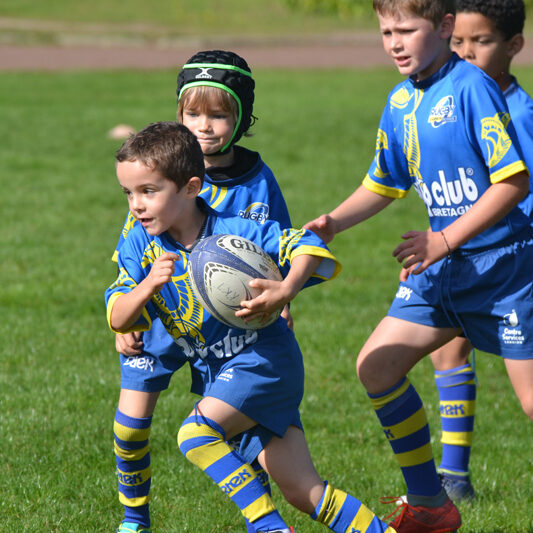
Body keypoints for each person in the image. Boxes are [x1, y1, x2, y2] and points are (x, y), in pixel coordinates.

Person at [304, 0, 533, 531]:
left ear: (445, 27)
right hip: (444, 273)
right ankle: (430, 504)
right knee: (376, 367)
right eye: (386, 31)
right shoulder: (400, 101)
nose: (395, 42)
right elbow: (383, 183)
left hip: (504, 273)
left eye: (407, 29)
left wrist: (444, 239)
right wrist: (333, 222)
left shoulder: (472, 87)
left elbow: (513, 182)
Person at [106, 120, 396, 533]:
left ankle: (267, 527)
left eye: (148, 191)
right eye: (129, 193)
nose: (136, 204)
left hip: (265, 361)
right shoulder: (140, 242)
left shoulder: (235, 231)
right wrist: (147, 285)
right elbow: (118, 316)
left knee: (195, 436)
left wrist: (286, 288)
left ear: (191, 187)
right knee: (307, 492)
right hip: (221, 373)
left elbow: (306, 245)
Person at [111, 51, 293, 533]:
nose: (204, 126)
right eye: (192, 113)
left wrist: (284, 297)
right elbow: (131, 263)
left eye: (218, 114)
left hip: (229, 326)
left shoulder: (258, 182)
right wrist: (126, 322)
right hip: (165, 315)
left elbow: (280, 256)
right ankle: (135, 519)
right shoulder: (156, 178)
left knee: (235, 429)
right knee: (129, 426)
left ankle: (262, 519)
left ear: (242, 117)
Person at [413, 0, 533, 503]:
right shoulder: (451, 96)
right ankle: (454, 476)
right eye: (458, 41)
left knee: (527, 395)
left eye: (480, 42)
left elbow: (514, 187)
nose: (465, 52)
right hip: (461, 258)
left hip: (513, 265)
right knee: (446, 348)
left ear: (513, 46)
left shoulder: (518, 112)